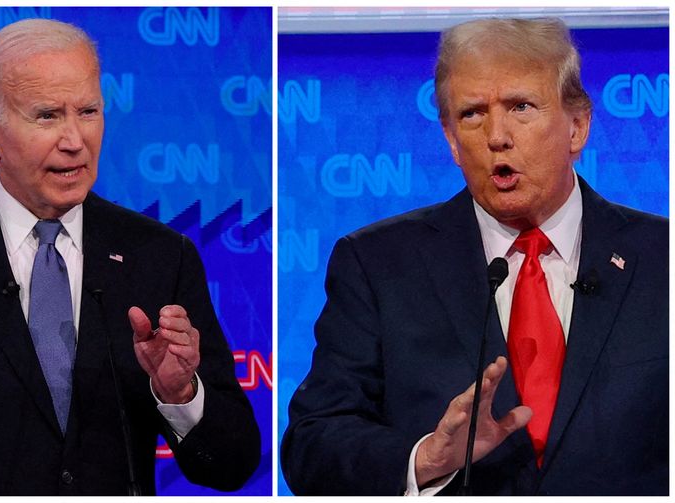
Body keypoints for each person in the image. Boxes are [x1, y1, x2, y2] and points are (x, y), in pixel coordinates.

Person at [281, 17, 667, 496]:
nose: (496, 136)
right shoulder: (377, 265)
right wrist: (425, 459)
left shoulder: (661, 258)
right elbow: (311, 446)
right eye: (472, 114)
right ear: (451, 141)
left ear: (577, 126)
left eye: (521, 106)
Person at [0, 18, 259, 495]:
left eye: (87, 111)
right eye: (47, 116)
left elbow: (231, 464)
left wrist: (179, 393)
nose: (75, 140)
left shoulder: (159, 256)